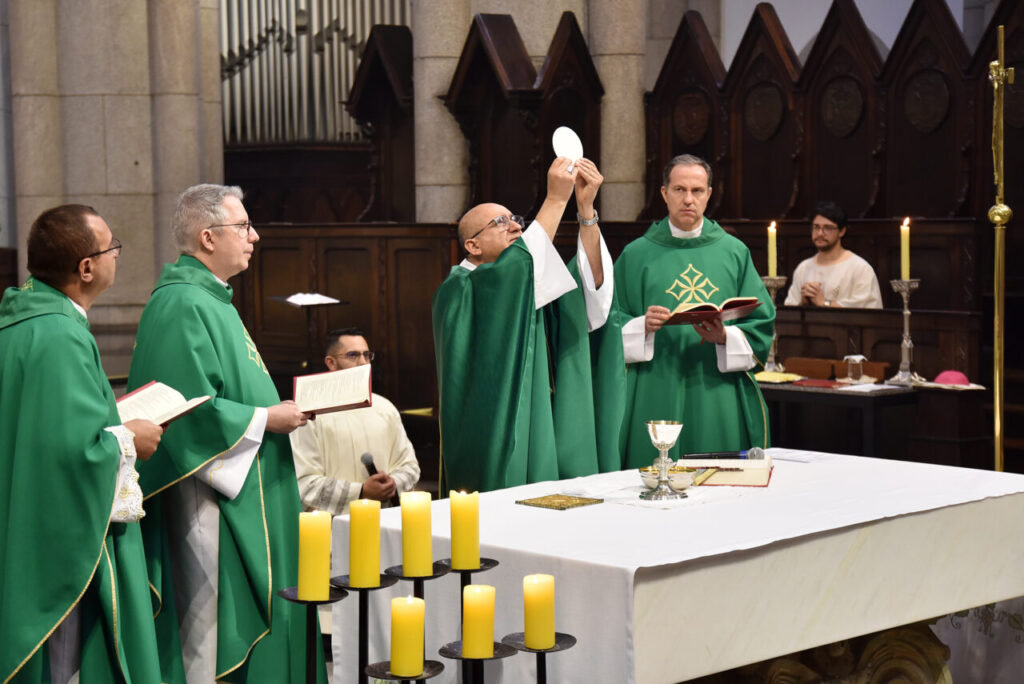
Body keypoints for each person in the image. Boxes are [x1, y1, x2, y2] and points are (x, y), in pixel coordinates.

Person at [127, 185, 323, 683]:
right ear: (208, 236)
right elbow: (185, 413)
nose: (254, 236)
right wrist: (264, 419)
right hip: (208, 497)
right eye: (244, 227)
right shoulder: (180, 303)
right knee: (208, 634)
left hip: (246, 479)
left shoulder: (212, 298)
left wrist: (274, 412)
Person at [0, 205, 164, 683]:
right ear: (86, 268)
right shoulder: (59, 335)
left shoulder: (23, 322)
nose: (118, 255)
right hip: (56, 540)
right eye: (112, 247)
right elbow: (72, 457)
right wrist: (129, 440)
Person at [432, 157, 624, 492]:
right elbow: (514, 271)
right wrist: (555, 199)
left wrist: (586, 212)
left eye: (515, 220)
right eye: (499, 222)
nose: (516, 227)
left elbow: (591, 293)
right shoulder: (460, 289)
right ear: (472, 245)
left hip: (548, 419)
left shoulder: (524, 280)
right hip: (498, 432)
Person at [613, 154, 775, 466]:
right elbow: (609, 320)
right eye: (679, 190)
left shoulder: (734, 252)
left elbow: (761, 321)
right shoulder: (636, 255)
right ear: (664, 193)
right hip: (656, 380)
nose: (689, 199)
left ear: (709, 194)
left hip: (715, 384)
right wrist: (640, 326)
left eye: (698, 191)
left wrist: (726, 336)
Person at [290, 327, 420, 514]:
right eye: (353, 355)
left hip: (384, 520)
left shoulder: (385, 408)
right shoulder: (309, 414)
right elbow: (304, 482)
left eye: (367, 355)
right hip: (334, 528)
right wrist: (361, 492)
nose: (363, 363)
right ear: (331, 363)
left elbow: (409, 466)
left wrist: (391, 484)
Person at [784, 201, 883, 308]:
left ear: (842, 231)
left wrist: (824, 303)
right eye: (816, 227)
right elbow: (790, 311)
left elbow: (869, 314)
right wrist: (803, 303)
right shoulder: (803, 268)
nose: (820, 233)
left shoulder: (860, 269)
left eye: (827, 228)